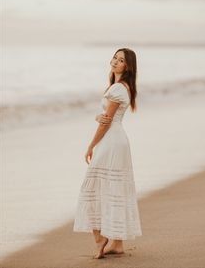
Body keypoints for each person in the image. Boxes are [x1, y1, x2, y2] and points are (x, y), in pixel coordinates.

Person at [73, 47, 142, 259]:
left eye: (120, 60)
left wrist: (91, 145)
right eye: (115, 57)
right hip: (117, 140)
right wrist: (98, 117)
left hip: (110, 141)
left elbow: (107, 122)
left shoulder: (118, 89)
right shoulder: (121, 88)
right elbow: (105, 117)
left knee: (92, 185)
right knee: (114, 188)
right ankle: (117, 244)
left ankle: (99, 239)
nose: (115, 61)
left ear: (127, 66)